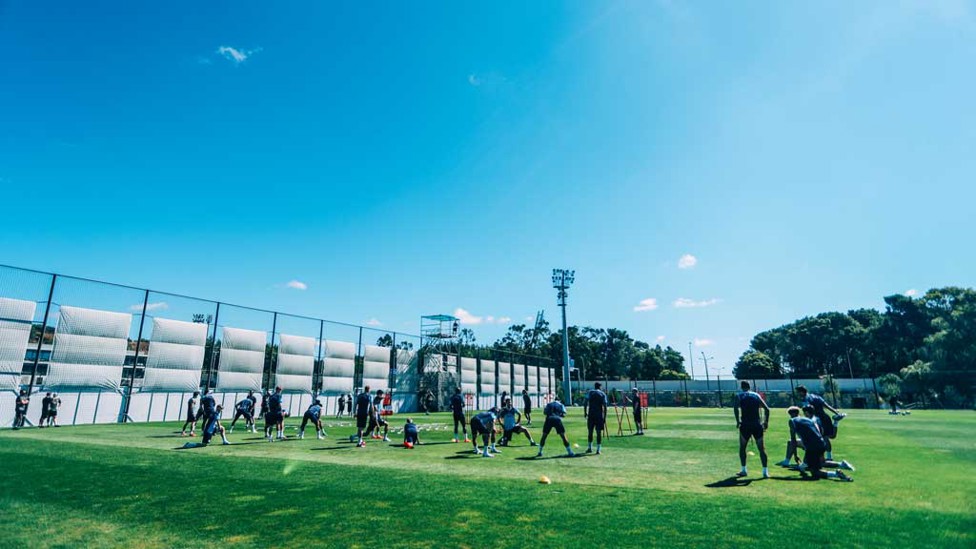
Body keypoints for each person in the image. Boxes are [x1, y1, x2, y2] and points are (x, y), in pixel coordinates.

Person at [787, 406, 854, 481]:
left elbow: (793, 440)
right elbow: (820, 431)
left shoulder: (792, 421)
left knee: (815, 472)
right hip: (821, 443)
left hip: (812, 446)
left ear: (791, 414)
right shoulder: (808, 419)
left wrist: (795, 455)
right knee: (821, 462)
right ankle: (841, 465)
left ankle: (837, 474)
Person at [795, 385, 847, 460]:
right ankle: (828, 456)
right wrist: (836, 412)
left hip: (818, 420)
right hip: (824, 418)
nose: (797, 394)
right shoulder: (815, 396)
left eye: (798, 392)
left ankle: (824, 457)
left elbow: (809, 413)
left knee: (824, 438)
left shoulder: (807, 400)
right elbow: (826, 405)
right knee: (830, 436)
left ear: (802, 392)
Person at [733, 381, 771, 478]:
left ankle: (744, 470)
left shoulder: (739, 396)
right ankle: (765, 472)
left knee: (742, 448)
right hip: (757, 425)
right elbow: (767, 409)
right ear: (749, 386)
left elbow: (735, 408)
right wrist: (766, 422)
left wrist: (737, 421)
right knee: (762, 449)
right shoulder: (756, 395)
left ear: (741, 387)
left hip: (745, 425)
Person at [585, 382, 608, 454]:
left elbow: (585, 402)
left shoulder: (590, 392)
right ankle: (598, 449)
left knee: (590, 431)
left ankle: (590, 448)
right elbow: (605, 406)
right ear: (600, 387)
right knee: (598, 432)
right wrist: (604, 417)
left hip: (591, 414)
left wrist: (585, 412)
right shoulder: (602, 394)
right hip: (599, 415)